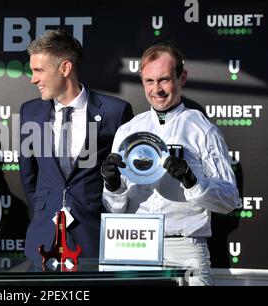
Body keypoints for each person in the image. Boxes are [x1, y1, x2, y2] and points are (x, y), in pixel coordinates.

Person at [101, 43, 241, 285]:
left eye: (164, 80)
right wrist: (113, 185)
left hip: (184, 248)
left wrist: (193, 182)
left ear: (182, 77)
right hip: (133, 244)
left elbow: (230, 200)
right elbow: (115, 209)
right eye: (149, 81)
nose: (157, 90)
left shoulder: (202, 129)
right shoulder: (129, 130)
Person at [19, 30, 133, 261]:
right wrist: (46, 208)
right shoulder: (29, 112)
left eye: (39, 70)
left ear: (65, 68)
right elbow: (28, 174)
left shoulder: (115, 111)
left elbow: (127, 177)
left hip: (95, 235)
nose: (33, 79)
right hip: (43, 236)